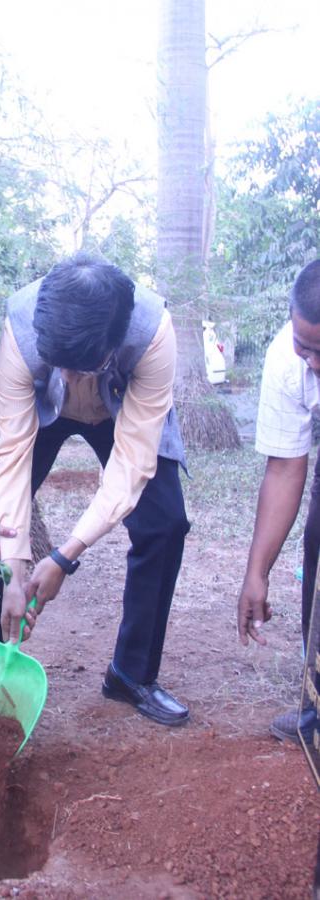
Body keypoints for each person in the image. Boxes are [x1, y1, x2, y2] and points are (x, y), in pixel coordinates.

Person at [0, 252, 191, 727]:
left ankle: (131, 674)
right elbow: (11, 457)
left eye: (80, 368)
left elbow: (133, 462)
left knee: (165, 524)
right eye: (60, 365)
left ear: (113, 344)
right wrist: (15, 570)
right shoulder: (20, 327)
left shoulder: (152, 333)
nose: (68, 379)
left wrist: (63, 557)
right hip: (39, 411)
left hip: (122, 409)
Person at [237, 259, 320, 746]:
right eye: (305, 346)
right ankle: (318, 712)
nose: (313, 363)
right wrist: (257, 572)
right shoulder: (285, 360)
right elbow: (287, 467)